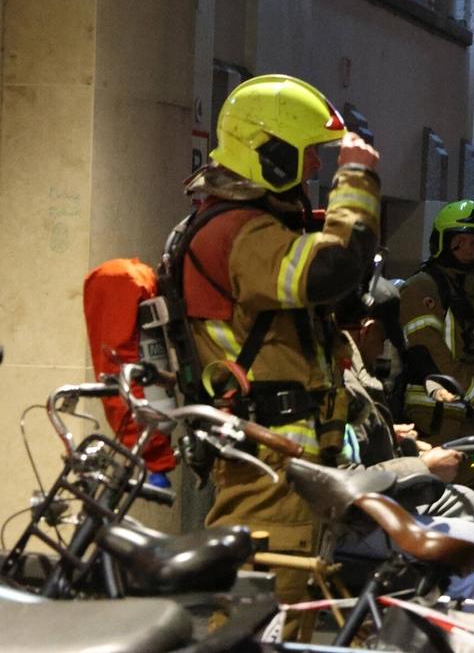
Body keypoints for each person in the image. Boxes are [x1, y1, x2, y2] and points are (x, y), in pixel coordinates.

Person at [180, 74, 381, 638]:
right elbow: (331, 269)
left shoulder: (254, 226)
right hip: (269, 467)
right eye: (306, 156)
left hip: (286, 461)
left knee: (285, 617)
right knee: (260, 618)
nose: (316, 170)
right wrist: (357, 181)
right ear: (268, 154)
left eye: (322, 159)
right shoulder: (236, 233)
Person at [333, 277, 474, 602]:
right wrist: (422, 466)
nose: (383, 349)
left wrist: (399, 441)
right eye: (382, 337)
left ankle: (421, 596)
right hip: (342, 523)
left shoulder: (352, 373)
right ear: (365, 330)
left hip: (358, 508)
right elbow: (343, 478)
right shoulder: (338, 383)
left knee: (464, 500)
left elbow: (354, 440)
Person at [399, 200, 474, 484]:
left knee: (468, 498)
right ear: (442, 242)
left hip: (469, 417)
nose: (467, 249)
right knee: (437, 500)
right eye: (459, 241)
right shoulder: (423, 287)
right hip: (435, 416)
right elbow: (428, 349)